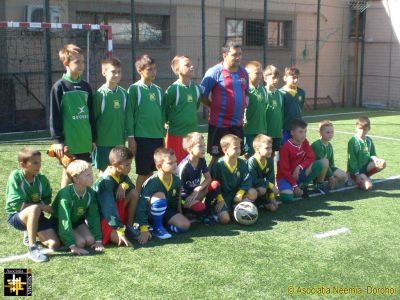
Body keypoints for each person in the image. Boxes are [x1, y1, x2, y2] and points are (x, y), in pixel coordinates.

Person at [49, 44, 96, 187]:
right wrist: (58, 141)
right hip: (69, 144)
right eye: (77, 62)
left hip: (85, 141)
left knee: (85, 173)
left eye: (83, 62)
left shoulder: (86, 86)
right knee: (69, 174)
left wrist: (93, 138)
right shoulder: (59, 87)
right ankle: (63, 206)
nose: (81, 65)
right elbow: (54, 115)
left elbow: (91, 115)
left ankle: (83, 206)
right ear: (66, 63)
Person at [5, 147, 60, 262]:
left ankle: (30, 232)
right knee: (34, 208)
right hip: (17, 216)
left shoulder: (42, 179)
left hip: (37, 215)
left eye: (40, 162)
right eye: (35, 163)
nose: (39, 165)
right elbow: (16, 204)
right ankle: (32, 248)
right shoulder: (15, 177)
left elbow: (47, 197)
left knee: (54, 244)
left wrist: (43, 205)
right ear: (23, 164)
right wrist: (42, 207)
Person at [200, 41, 249, 166]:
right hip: (219, 124)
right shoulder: (214, 72)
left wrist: (245, 103)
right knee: (218, 158)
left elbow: (246, 92)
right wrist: (212, 107)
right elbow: (201, 95)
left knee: (235, 155)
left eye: (240, 54)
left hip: (237, 123)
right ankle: (208, 184)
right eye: (234, 55)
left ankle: (230, 184)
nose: (238, 57)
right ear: (225, 55)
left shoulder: (244, 72)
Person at [135, 148, 191, 244]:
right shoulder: (152, 182)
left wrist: (180, 214)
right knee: (160, 196)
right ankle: (156, 227)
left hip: (167, 211)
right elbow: (142, 205)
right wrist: (143, 228)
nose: (175, 165)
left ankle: (161, 225)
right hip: (150, 214)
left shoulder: (176, 180)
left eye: (175, 162)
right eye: (170, 163)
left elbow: (177, 199)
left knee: (185, 225)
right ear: (159, 166)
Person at [127, 55, 165, 193]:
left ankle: (149, 199)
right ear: (140, 70)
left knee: (155, 172)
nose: (153, 72)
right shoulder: (134, 89)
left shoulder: (159, 90)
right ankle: (136, 199)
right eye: (149, 69)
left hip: (158, 137)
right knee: (144, 173)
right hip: (142, 138)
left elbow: (162, 115)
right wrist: (131, 137)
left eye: (155, 69)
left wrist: (164, 134)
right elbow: (129, 115)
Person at [52, 160, 103, 255]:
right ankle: (58, 235)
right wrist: (72, 246)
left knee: (90, 240)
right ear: (76, 179)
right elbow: (64, 220)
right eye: (88, 175)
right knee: (80, 243)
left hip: (76, 222)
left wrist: (98, 240)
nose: (92, 177)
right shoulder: (65, 195)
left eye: (91, 173)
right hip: (59, 222)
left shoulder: (90, 193)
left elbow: (93, 217)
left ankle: (74, 235)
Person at [92, 57, 134, 172]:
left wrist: (130, 136)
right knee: (104, 172)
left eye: (119, 72)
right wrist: (94, 140)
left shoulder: (124, 94)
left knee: (119, 171)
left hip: (119, 142)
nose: (116, 75)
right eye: (113, 72)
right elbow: (94, 119)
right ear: (104, 72)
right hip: (103, 143)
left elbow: (128, 117)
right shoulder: (100, 95)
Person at [93, 146, 139, 247]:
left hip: (115, 211)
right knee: (119, 241)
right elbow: (109, 209)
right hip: (103, 216)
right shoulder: (105, 182)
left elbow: (131, 186)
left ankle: (129, 227)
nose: (130, 167)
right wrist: (119, 230)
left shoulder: (121, 173)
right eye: (127, 165)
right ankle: (119, 228)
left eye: (130, 164)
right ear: (115, 165)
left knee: (134, 193)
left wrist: (123, 185)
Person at [210, 134, 257, 224]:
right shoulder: (218, 165)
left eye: (239, 147)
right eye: (235, 148)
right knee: (225, 220)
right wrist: (219, 199)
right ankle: (222, 212)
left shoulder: (242, 163)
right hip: (223, 197)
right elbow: (213, 184)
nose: (238, 150)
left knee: (253, 192)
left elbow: (247, 179)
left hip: (237, 196)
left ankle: (237, 206)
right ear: (225, 150)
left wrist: (240, 193)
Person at [277, 119, 327, 202]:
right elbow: (284, 171)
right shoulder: (285, 148)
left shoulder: (305, 142)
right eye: (300, 132)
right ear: (292, 133)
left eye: (305, 131)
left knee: (321, 163)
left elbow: (311, 157)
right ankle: (295, 187)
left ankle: (302, 186)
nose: (303, 135)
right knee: (287, 198)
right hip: (285, 177)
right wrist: (294, 186)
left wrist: (299, 167)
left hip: (299, 174)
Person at [165, 56, 202, 164]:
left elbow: (196, 106)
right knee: (176, 164)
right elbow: (165, 109)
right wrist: (166, 122)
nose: (192, 67)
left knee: (192, 164)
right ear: (177, 70)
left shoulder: (196, 88)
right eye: (187, 65)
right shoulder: (173, 89)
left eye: (191, 64)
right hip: (176, 135)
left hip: (192, 135)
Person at [176, 132, 217, 224]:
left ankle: (209, 210)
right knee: (200, 207)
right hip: (185, 198)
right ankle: (192, 213)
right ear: (190, 149)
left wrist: (197, 189)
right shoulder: (184, 167)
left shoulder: (201, 159)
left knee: (215, 185)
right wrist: (180, 213)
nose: (204, 149)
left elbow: (208, 178)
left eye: (204, 145)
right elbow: (177, 191)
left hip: (195, 194)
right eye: (200, 146)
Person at [347, 116, 386, 190]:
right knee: (369, 187)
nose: (362, 131)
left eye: (365, 129)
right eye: (360, 128)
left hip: (365, 168)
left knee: (382, 163)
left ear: (369, 129)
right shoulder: (352, 141)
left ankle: (365, 177)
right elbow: (352, 161)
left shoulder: (369, 140)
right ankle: (352, 178)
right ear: (356, 128)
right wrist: (357, 174)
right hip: (355, 171)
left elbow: (372, 154)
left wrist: (375, 159)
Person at [311, 120, 348, 190]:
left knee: (344, 176)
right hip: (316, 171)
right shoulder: (316, 145)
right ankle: (318, 183)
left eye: (332, 132)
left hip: (327, 169)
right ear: (320, 133)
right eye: (327, 132)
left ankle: (328, 183)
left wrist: (333, 176)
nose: (330, 134)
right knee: (324, 163)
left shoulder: (329, 145)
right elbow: (323, 164)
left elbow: (331, 163)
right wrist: (331, 176)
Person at [243, 61, 268, 159]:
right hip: (249, 130)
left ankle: (259, 174)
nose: (259, 75)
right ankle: (249, 174)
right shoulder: (246, 91)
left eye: (261, 73)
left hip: (261, 130)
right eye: (257, 73)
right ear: (247, 75)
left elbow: (264, 107)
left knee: (262, 155)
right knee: (249, 156)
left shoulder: (263, 90)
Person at [247, 135, 279, 211]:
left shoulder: (269, 160)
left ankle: (264, 201)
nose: (270, 151)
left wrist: (272, 197)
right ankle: (252, 202)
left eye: (271, 148)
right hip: (251, 187)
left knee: (274, 206)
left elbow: (271, 178)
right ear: (257, 149)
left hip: (263, 186)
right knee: (262, 190)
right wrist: (269, 185)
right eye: (267, 148)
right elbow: (253, 180)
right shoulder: (252, 161)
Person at [280, 66, 305, 144]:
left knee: (297, 151)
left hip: (298, 129)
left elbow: (300, 108)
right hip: (285, 129)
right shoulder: (280, 93)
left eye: (297, 77)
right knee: (285, 151)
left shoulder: (301, 92)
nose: (296, 80)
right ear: (285, 78)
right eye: (293, 77)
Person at [264, 65, 284, 158]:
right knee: (263, 154)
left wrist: (281, 128)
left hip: (277, 132)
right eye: (273, 77)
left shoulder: (279, 94)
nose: (276, 80)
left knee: (272, 155)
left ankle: (270, 171)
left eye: (277, 78)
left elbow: (280, 112)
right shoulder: (263, 93)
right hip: (266, 132)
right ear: (265, 78)